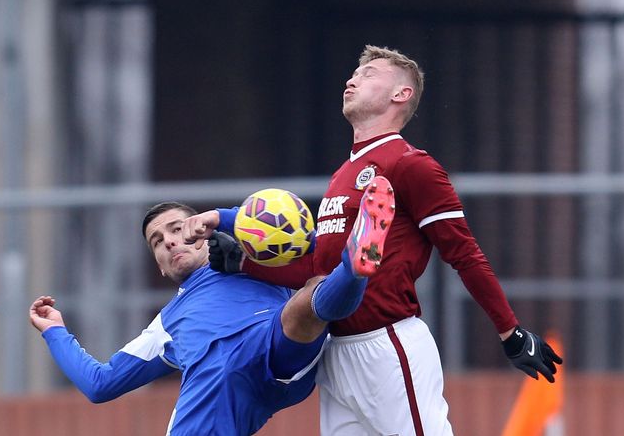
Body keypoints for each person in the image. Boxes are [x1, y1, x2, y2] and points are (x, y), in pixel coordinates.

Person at [183, 45, 562, 435]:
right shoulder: (341, 175)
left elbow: (464, 253)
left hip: (388, 344)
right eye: (353, 73)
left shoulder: (411, 164)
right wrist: (245, 265)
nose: (351, 79)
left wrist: (510, 333)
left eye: (368, 74)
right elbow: (316, 271)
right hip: (334, 350)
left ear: (401, 94)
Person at [29, 176, 396, 436]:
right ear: (158, 264)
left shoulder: (259, 257)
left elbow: (301, 241)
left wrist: (225, 219)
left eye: (176, 229)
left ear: (202, 234)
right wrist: (55, 331)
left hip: (274, 349)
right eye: (157, 241)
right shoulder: (166, 324)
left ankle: (356, 259)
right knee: (304, 304)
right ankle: (353, 264)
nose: (169, 242)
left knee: (308, 299)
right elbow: (100, 384)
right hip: (219, 398)